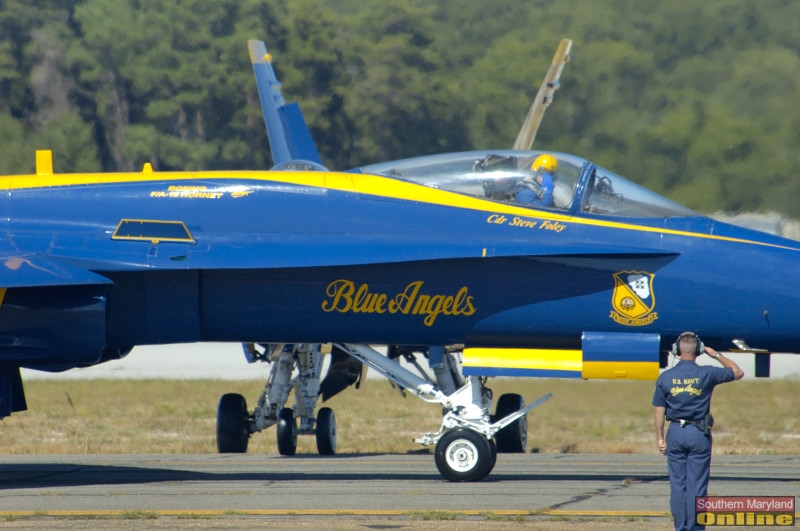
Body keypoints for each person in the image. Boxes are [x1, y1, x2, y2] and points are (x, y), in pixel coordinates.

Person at [652, 332, 744, 531]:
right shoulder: (707, 373)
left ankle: (680, 527)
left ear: (677, 350)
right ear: (699, 350)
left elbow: (659, 410)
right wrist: (716, 355)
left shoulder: (665, 377)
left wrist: (660, 438)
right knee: (697, 487)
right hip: (698, 433)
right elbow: (737, 372)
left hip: (675, 432)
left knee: (678, 486)